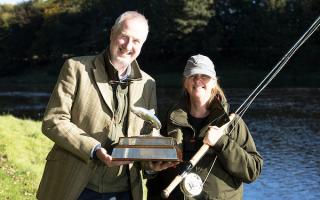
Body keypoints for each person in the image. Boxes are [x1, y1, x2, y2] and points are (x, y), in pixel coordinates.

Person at [37, 11, 161, 200]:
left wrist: (151, 163)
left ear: (142, 44)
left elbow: (145, 136)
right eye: (124, 37)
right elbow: (53, 121)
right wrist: (94, 149)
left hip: (124, 191)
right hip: (74, 185)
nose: (128, 46)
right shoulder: (76, 67)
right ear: (112, 33)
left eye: (136, 41)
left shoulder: (148, 83)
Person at [147, 54, 263, 200]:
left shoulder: (233, 123)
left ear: (214, 82)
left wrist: (222, 143)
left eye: (204, 76)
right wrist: (151, 169)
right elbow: (154, 178)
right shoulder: (169, 120)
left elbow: (252, 171)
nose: (197, 79)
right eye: (192, 75)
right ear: (185, 82)